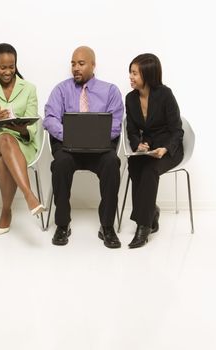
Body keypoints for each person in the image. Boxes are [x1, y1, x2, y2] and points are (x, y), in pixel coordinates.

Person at [43, 46, 124, 247]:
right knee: (60, 164)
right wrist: (71, 136)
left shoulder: (110, 91)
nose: (76, 68)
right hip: (68, 147)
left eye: (81, 63)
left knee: (112, 163)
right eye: (73, 64)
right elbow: (50, 118)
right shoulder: (61, 89)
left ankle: (107, 226)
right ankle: (62, 225)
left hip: (100, 149)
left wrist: (94, 137)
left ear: (93, 65)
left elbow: (116, 125)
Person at [0, 43, 45, 236]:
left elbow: (33, 124)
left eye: (11, 66)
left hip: (22, 141)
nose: (8, 71)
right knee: (5, 139)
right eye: (3, 67)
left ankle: (6, 211)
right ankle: (29, 195)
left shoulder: (29, 88)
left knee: (5, 158)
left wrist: (23, 129)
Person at [126, 53, 184, 248]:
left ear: (148, 74)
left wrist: (165, 149)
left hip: (170, 148)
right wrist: (138, 145)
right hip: (149, 147)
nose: (131, 77)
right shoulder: (131, 98)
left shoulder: (165, 94)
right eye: (130, 72)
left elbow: (177, 130)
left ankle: (144, 226)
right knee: (134, 163)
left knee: (150, 170)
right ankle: (151, 211)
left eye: (135, 73)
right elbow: (132, 130)